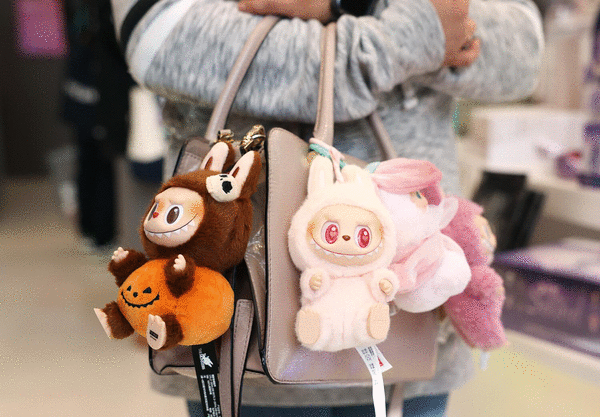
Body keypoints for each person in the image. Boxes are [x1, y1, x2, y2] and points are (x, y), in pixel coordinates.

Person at [108, 0, 544, 415]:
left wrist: (351, 7)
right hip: (235, 355)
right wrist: (411, 32)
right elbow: (162, 42)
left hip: (408, 336)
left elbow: (520, 52)